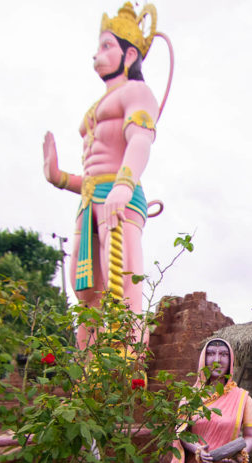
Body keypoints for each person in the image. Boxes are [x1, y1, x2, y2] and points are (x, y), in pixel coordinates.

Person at [43, 3, 160, 348]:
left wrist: (124, 185)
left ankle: (127, 366)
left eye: (107, 46)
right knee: (86, 295)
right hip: (89, 202)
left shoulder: (137, 92)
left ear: (129, 55)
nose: (97, 55)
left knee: (123, 289)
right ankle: (87, 368)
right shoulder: (95, 108)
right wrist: (59, 177)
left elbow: (140, 138)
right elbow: (92, 174)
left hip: (121, 197)